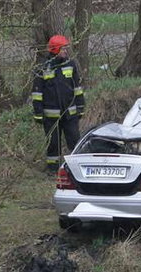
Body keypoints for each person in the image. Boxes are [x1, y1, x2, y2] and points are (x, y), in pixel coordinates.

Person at [32, 34, 85, 174]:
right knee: (53, 144)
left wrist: (80, 106)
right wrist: (38, 113)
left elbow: (77, 88)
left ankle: (76, 169)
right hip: (50, 116)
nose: (66, 51)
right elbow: (37, 93)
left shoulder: (70, 64)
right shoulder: (42, 68)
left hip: (70, 114)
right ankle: (53, 169)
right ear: (55, 50)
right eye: (63, 49)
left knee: (74, 141)